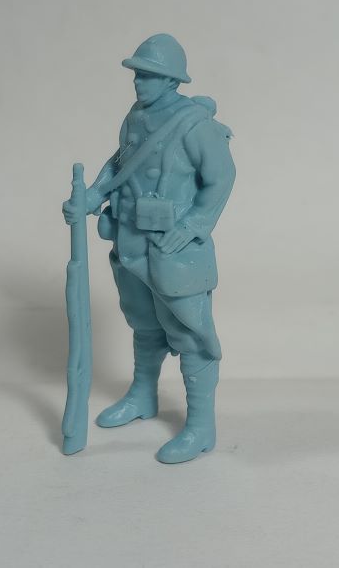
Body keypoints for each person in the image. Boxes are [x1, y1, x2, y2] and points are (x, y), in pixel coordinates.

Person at [62, 33, 235, 463]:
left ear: (172, 80)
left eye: (150, 75)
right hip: (131, 239)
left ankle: (201, 427)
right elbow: (120, 162)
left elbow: (221, 177)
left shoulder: (195, 125)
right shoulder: (136, 117)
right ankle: (143, 395)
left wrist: (193, 225)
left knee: (191, 335)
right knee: (144, 324)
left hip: (176, 251)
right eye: (138, 74)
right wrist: (92, 195)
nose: (139, 82)